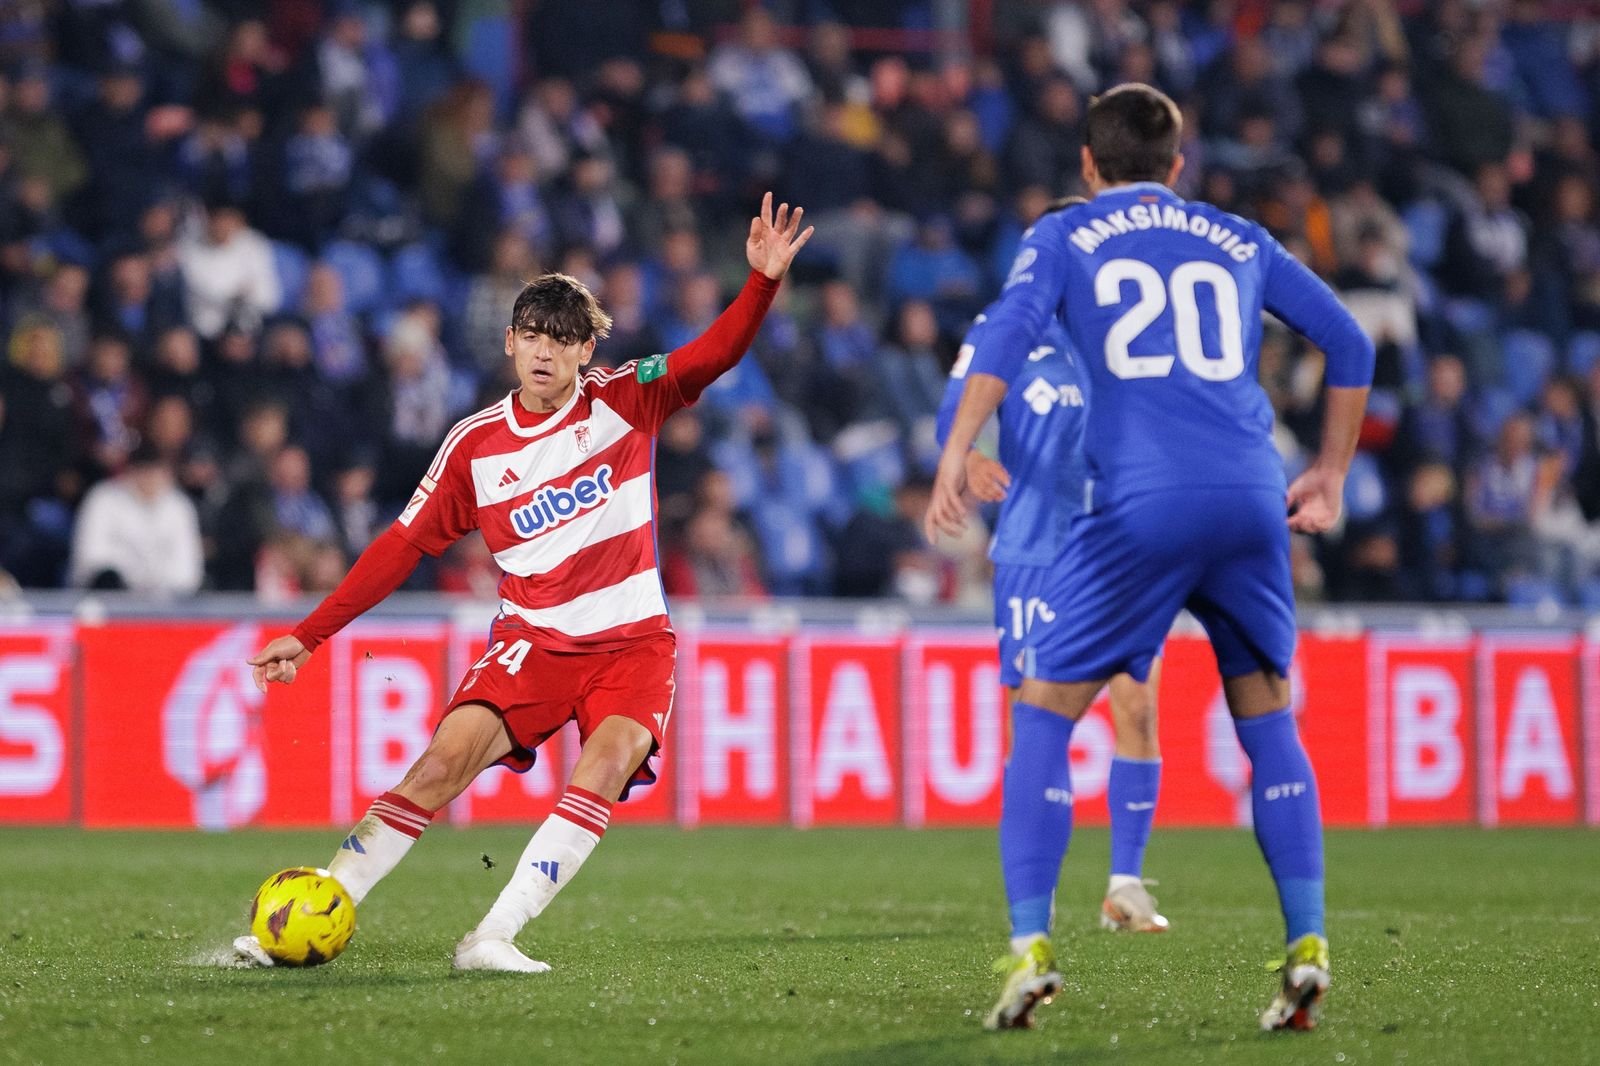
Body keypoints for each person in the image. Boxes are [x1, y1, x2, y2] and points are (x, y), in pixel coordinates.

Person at [233, 194, 811, 973]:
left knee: (604, 767)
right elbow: (401, 547)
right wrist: (308, 635)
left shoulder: (626, 399)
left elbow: (713, 354)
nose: (544, 350)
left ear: (584, 352)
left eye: (562, 339)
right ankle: (319, 908)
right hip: (532, 641)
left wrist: (761, 285)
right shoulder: (475, 446)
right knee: (439, 766)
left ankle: (492, 936)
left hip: (634, 642)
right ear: (509, 342)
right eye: (532, 335)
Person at [927, 85, 1373, 1032]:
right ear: (1181, 165)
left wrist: (956, 449)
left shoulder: (1065, 236)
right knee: (1268, 722)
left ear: (1087, 165)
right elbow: (1351, 339)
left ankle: (1031, 949)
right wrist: (1329, 475)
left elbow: (1003, 336)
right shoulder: (1239, 236)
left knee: (1044, 720)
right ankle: (1307, 945)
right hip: (1254, 496)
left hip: (1140, 501)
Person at [936, 239, 1168, 939]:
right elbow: (956, 409)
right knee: (1035, 725)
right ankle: (1032, 891)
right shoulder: (1004, 328)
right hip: (1035, 551)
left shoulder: (1129, 332)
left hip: (1115, 549)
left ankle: (1125, 886)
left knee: (1139, 708)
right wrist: (971, 456)